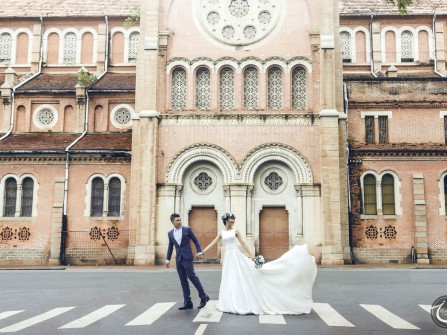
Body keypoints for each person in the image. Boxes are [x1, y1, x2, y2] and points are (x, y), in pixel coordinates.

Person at [200, 212, 317, 315]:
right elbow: (213, 243)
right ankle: (230, 300)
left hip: (235, 255)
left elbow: (244, 244)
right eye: (231, 219)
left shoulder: (236, 231)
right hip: (228, 257)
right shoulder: (221, 233)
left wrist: (252, 256)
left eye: (233, 219)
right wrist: (202, 252)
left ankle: (240, 301)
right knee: (229, 278)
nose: (233, 221)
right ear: (226, 220)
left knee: (239, 277)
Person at [166, 213, 210, 310]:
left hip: (187, 257)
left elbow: (196, 241)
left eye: (180, 220)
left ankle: (204, 297)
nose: (179, 222)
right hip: (178, 259)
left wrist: (199, 251)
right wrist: (167, 259)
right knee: (183, 281)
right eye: (177, 220)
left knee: (192, 277)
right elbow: (170, 247)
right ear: (172, 222)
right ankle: (188, 302)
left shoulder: (187, 230)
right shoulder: (170, 233)